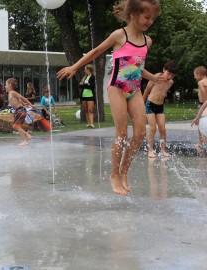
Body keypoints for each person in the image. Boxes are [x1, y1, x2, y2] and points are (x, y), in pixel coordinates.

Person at [57, 0, 164, 195]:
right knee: (122, 133)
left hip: (135, 89)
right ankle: (114, 174)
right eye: (147, 17)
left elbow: (137, 67)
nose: (150, 22)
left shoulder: (147, 41)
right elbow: (96, 52)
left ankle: (124, 171)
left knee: (140, 133)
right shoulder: (119, 35)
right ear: (133, 14)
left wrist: (153, 77)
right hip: (117, 88)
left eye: (153, 18)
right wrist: (75, 67)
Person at [143, 60, 179, 159]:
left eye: (172, 75)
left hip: (160, 106)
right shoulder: (156, 77)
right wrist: (141, 106)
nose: (170, 76)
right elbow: (146, 91)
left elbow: (163, 92)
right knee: (153, 128)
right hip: (150, 105)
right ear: (164, 70)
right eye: (169, 73)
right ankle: (150, 150)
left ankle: (163, 150)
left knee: (162, 129)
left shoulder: (170, 82)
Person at [6, 78, 33, 146]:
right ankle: (27, 135)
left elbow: (22, 98)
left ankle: (25, 140)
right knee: (15, 126)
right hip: (18, 111)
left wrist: (31, 105)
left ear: (10, 85)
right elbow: (18, 100)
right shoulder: (10, 93)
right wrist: (24, 104)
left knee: (16, 126)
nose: (5, 86)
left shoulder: (12, 92)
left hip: (21, 110)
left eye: (5, 84)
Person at [194, 66, 207, 149]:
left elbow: (204, 94)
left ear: (199, 74)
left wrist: (204, 105)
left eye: (195, 75)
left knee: (200, 123)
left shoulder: (200, 82)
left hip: (203, 104)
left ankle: (200, 142)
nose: (194, 77)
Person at [79, 64, 96, 128]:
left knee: (90, 110)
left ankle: (92, 123)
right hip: (84, 95)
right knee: (86, 110)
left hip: (90, 95)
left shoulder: (92, 77)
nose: (84, 71)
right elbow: (80, 85)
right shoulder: (84, 77)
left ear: (88, 70)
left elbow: (91, 86)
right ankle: (88, 123)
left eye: (85, 69)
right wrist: (85, 84)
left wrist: (84, 84)